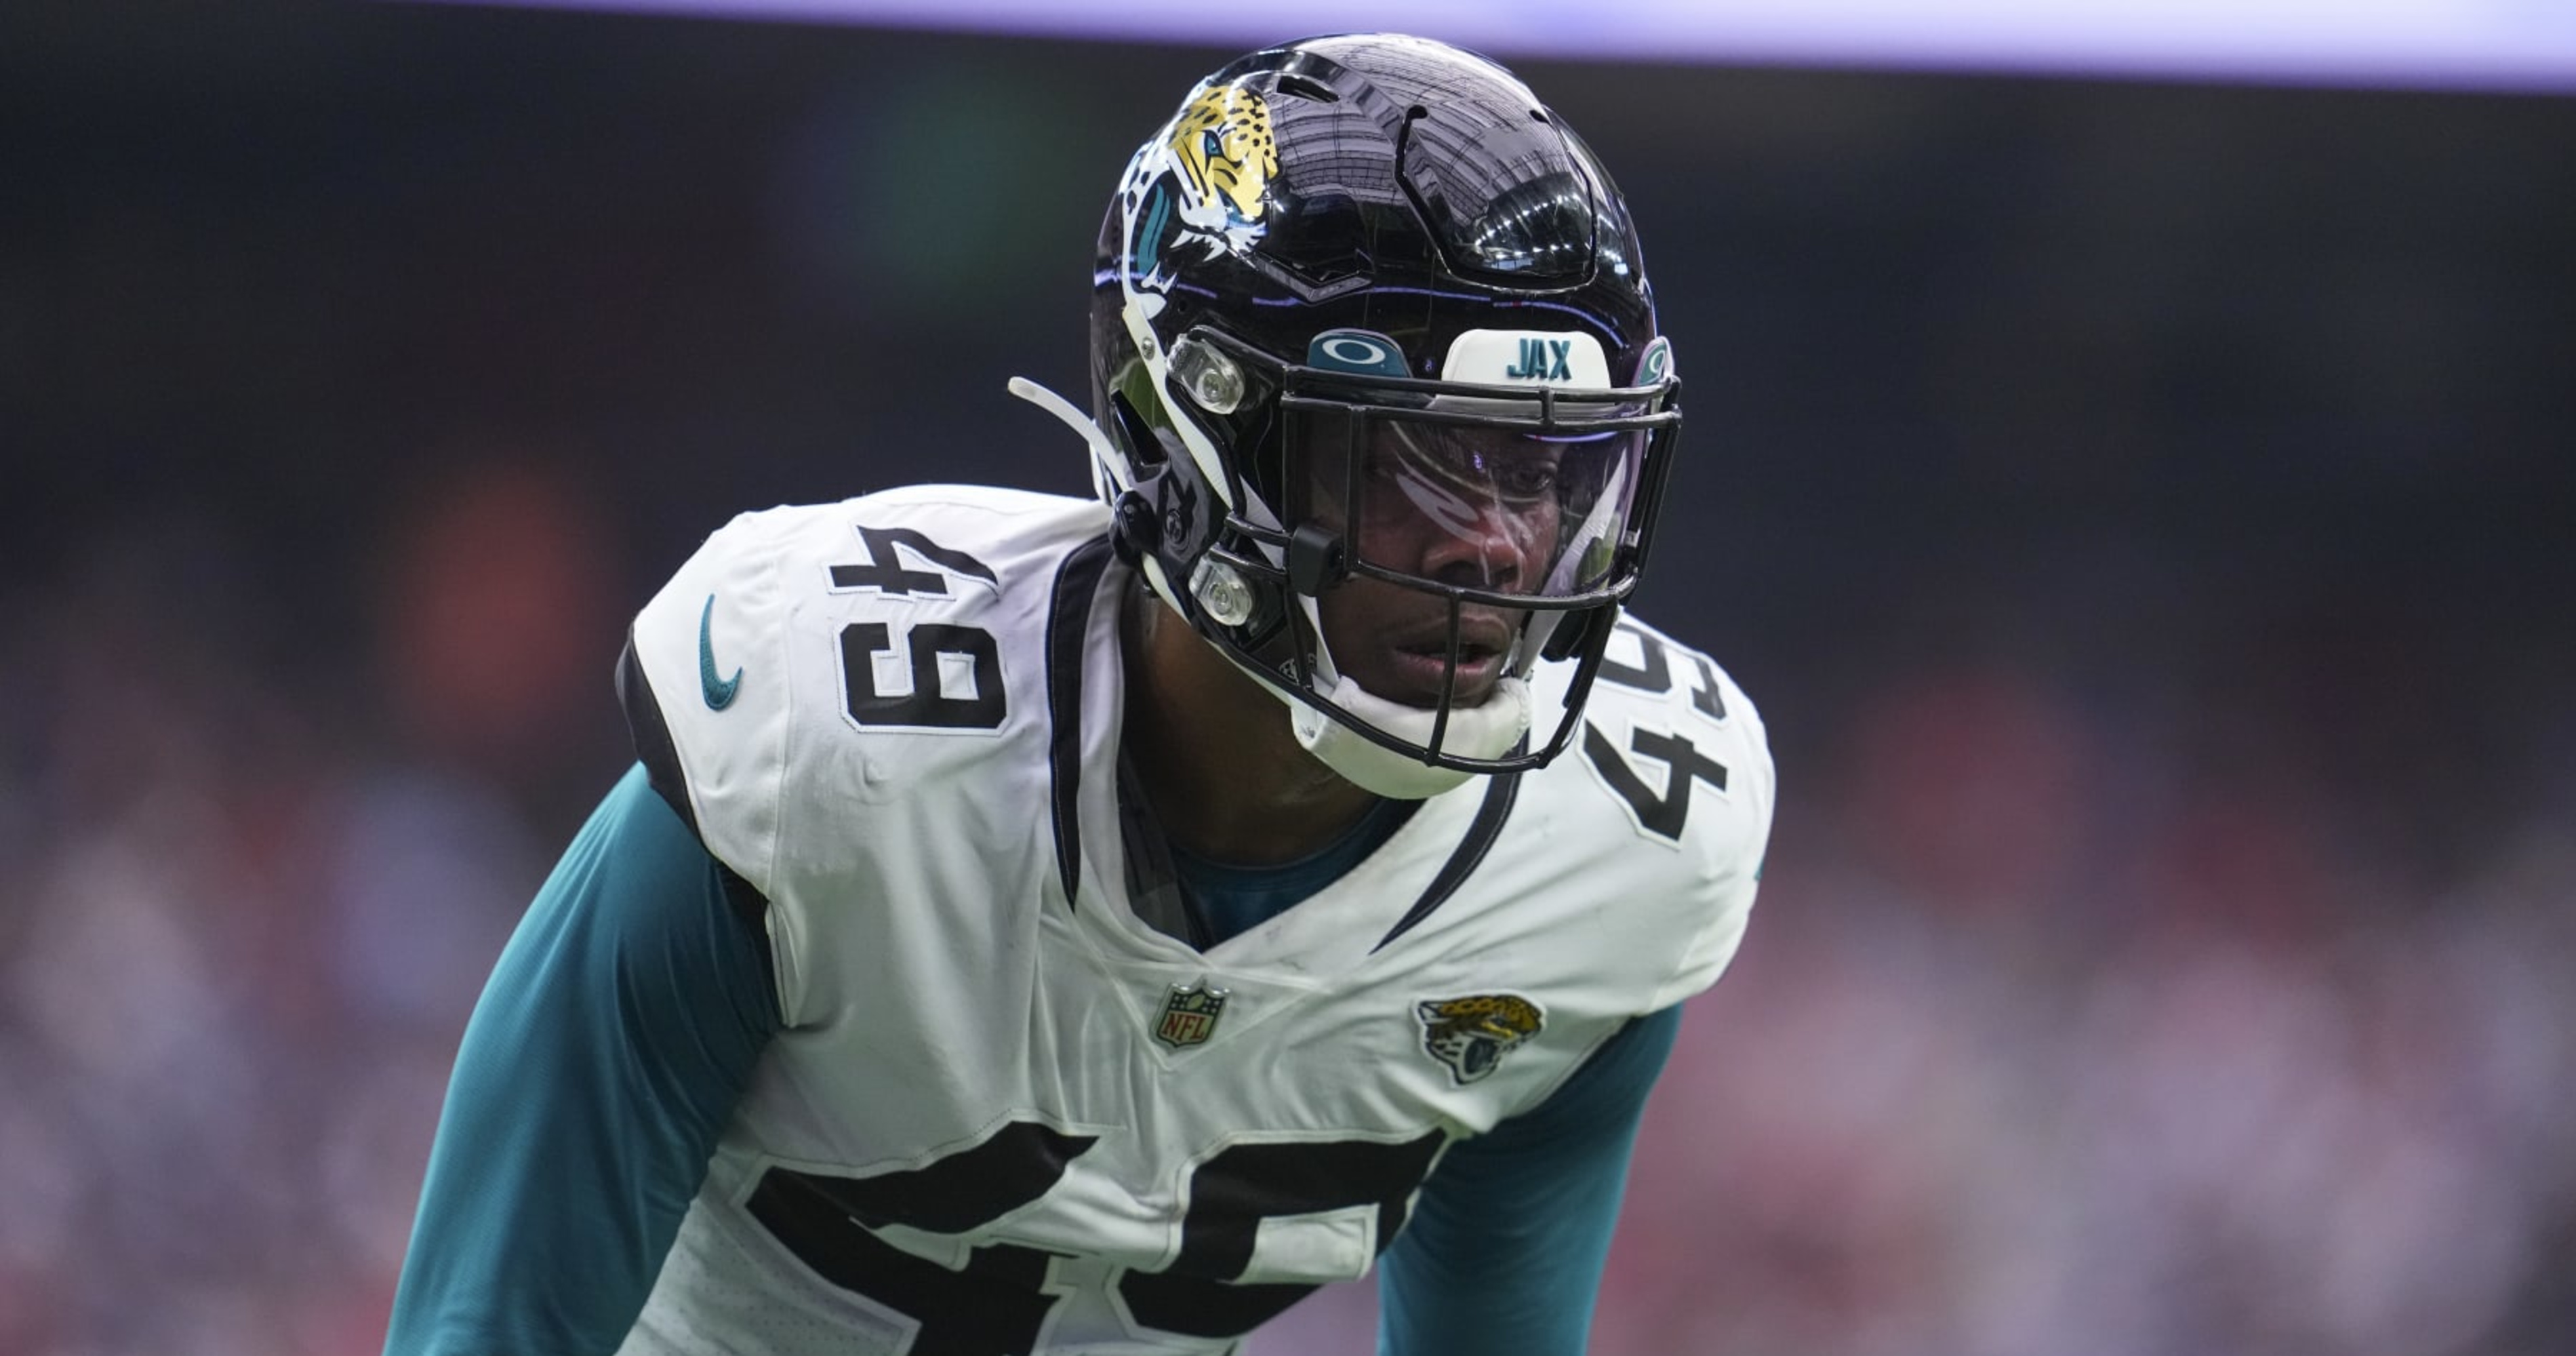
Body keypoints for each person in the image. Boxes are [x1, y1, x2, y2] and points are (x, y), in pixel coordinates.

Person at [383, 32, 1773, 1356]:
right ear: (1192, 426)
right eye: (1408, 452)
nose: (1495, 543)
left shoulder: (1623, 849)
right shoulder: (835, 733)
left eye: (1536, 468)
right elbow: (493, 1320)